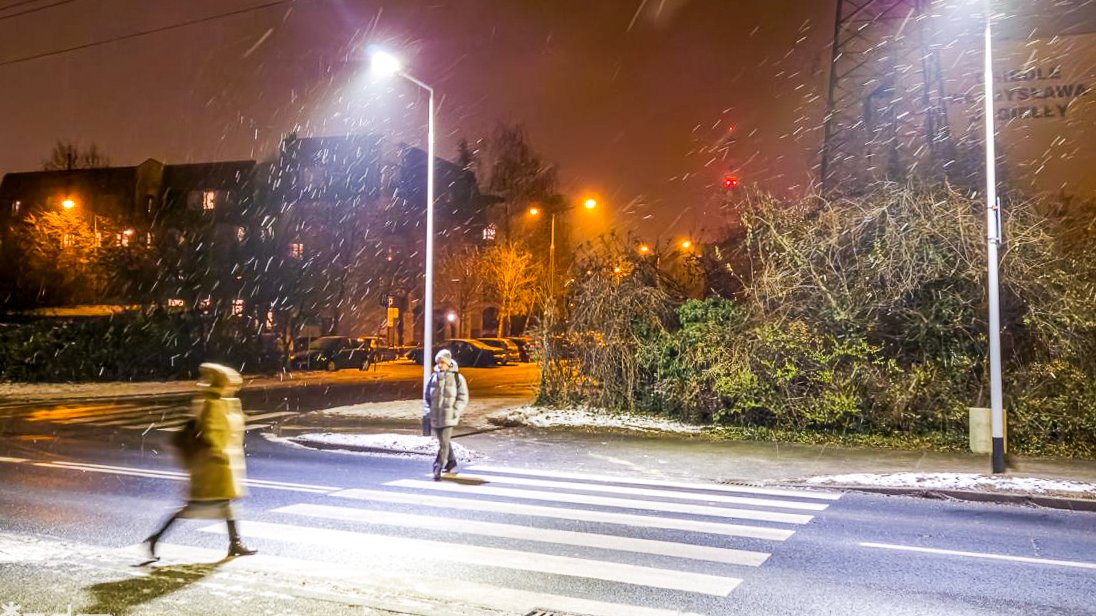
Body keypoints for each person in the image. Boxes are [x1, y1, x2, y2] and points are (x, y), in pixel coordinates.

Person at [144, 362, 257, 560]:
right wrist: (216, 452)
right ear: (221, 384)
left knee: (225, 502)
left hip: (221, 465)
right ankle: (155, 538)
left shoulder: (223, 402)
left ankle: (235, 543)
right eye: (230, 384)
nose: (233, 388)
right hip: (210, 465)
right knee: (195, 506)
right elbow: (208, 433)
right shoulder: (210, 403)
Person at [424, 349, 469, 481]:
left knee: (443, 444)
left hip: (449, 416)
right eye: (438, 362)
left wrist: (455, 411)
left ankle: (437, 467)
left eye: (442, 362)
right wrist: (428, 411)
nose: (440, 364)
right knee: (445, 442)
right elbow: (427, 396)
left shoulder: (457, 378)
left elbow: (463, 398)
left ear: (448, 363)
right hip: (435, 416)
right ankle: (452, 463)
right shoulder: (433, 378)